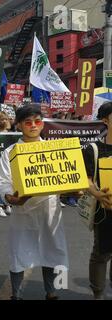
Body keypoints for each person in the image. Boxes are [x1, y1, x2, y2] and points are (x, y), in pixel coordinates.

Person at [0, 104, 68, 300]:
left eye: (37, 121)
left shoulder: (54, 150)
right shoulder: (10, 153)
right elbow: (3, 182)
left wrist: (74, 191)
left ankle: (53, 293)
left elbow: (66, 177)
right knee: (19, 253)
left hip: (50, 210)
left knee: (54, 251)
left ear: (42, 124)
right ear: (19, 125)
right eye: (28, 122)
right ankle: (16, 294)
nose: (33, 126)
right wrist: (11, 198)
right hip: (23, 213)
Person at [82, 102, 112, 299]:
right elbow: (86, 180)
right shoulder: (93, 149)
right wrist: (97, 194)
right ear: (105, 120)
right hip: (104, 212)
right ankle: (98, 294)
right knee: (101, 254)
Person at [0, 111, 12, 218]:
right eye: (1, 119)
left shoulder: (12, 134)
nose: (4, 121)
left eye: (5, 119)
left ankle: (7, 204)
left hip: (7, 163)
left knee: (8, 181)